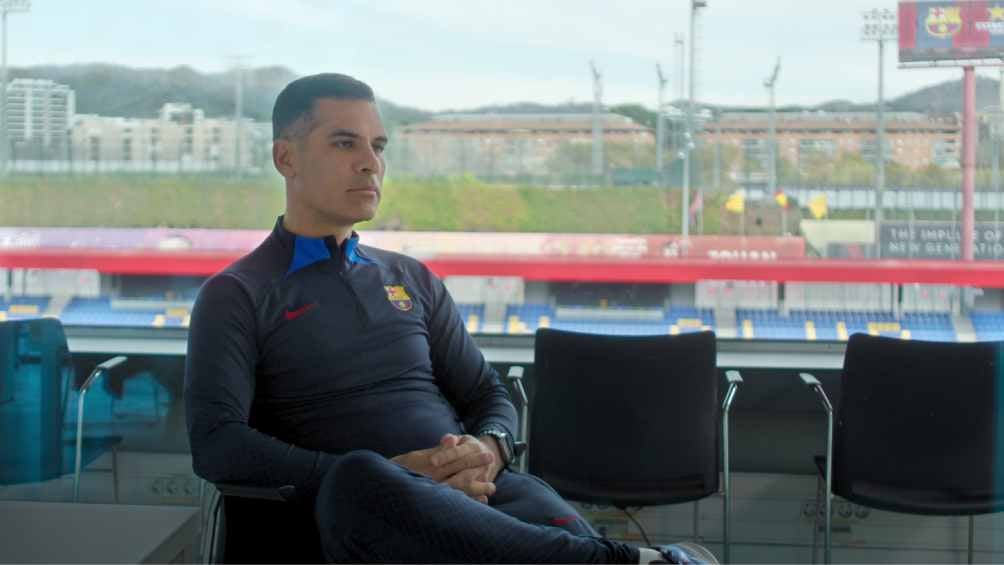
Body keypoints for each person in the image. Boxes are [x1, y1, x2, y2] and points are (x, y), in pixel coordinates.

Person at [184, 72, 717, 564]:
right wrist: (400, 475)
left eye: (378, 146)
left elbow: (487, 393)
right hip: (357, 512)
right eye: (345, 143)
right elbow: (218, 444)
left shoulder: (410, 278)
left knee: (542, 512)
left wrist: (488, 449)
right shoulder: (237, 294)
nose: (370, 163)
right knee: (360, 475)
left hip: (476, 497)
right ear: (286, 158)